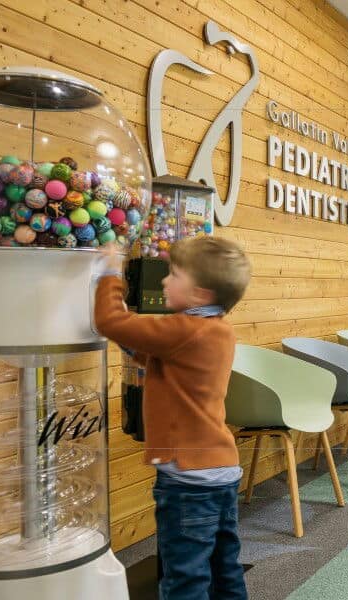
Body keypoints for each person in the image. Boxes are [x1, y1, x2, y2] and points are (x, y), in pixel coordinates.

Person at [95, 236, 252, 600]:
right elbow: (166, 364)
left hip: (188, 480)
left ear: (198, 293)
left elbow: (110, 320)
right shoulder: (218, 330)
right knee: (223, 568)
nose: (164, 281)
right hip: (221, 472)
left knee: (184, 578)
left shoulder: (182, 329)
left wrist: (108, 272)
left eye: (174, 274)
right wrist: (134, 342)